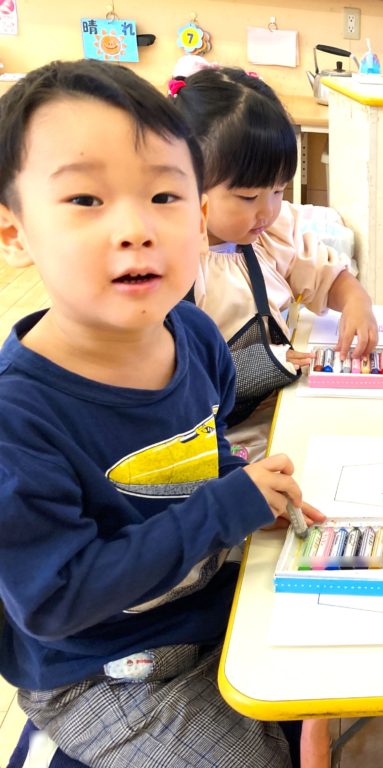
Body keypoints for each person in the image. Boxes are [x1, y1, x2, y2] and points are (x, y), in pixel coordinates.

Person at [0, 60, 325, 767]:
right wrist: (221, 511)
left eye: (164, 195)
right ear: (15, 232)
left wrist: (248, 492)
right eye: (86, 198)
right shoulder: (17, 416)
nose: (136, 228)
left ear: (199, 217)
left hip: (202, 609)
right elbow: (54, 601)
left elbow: (206, 454)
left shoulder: (196, 335)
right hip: (100, 670)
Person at [169, 62, 379, 460]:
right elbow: (172, 381)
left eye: (279, 190)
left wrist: (356, 301)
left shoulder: (271, 233)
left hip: (283, 409)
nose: (267, 211)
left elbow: (324, 273)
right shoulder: (172, 265)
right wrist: (260, 364)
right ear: (185, 182)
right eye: (248, 197)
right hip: (216, 440)